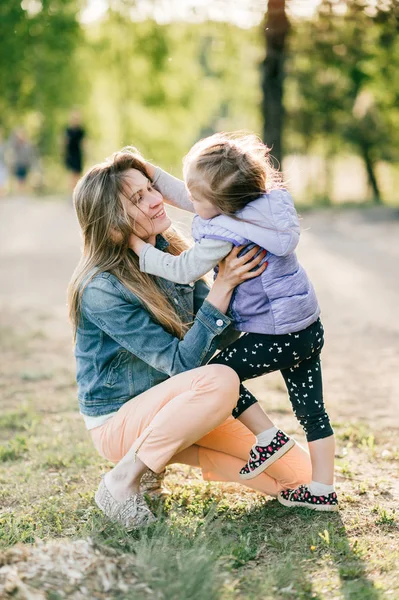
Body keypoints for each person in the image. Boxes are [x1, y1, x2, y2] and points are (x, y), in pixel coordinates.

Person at [67, 147, 312, 529]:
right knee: (222, 379)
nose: (155, 200)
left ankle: (156, 462)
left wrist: (250, 286)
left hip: (185, 405)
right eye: (137, 198)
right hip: (121, 420)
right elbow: (184, 364)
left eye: (151, 188)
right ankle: (123, 478)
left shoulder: (171, 253)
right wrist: (222, 288)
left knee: (300, 475)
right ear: (113, 222)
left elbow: (223, 334)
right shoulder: (101, 289)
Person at [129, 133, 338, 512]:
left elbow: (183, 269)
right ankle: (322, 488)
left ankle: (268, 437)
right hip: (307, 326)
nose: (187, 201)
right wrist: (150, 172)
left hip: (275, 333)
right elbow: (193, 193)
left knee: (217, 378)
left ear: (219, 205)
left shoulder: (222, 234)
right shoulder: (262, 207)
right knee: (312, 410)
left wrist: (141, 250)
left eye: (195, 198)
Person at [64, 110, 85, 190]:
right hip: (70, 154)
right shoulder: (68, 130)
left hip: (78, 154)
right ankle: (72, 191)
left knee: (78, 174)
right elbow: (64, 142)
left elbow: (83, 143)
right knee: (72, 174)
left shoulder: (81, 131)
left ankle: (76, 190)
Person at [8, 128, 34, 193]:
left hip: (24, 163)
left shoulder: (26, 144)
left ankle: (22, 191)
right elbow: (11, 146)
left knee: (23, 178)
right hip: (18, 163)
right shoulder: (15, 144)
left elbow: (29, 154)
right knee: (18, 178)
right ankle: (19, 191)